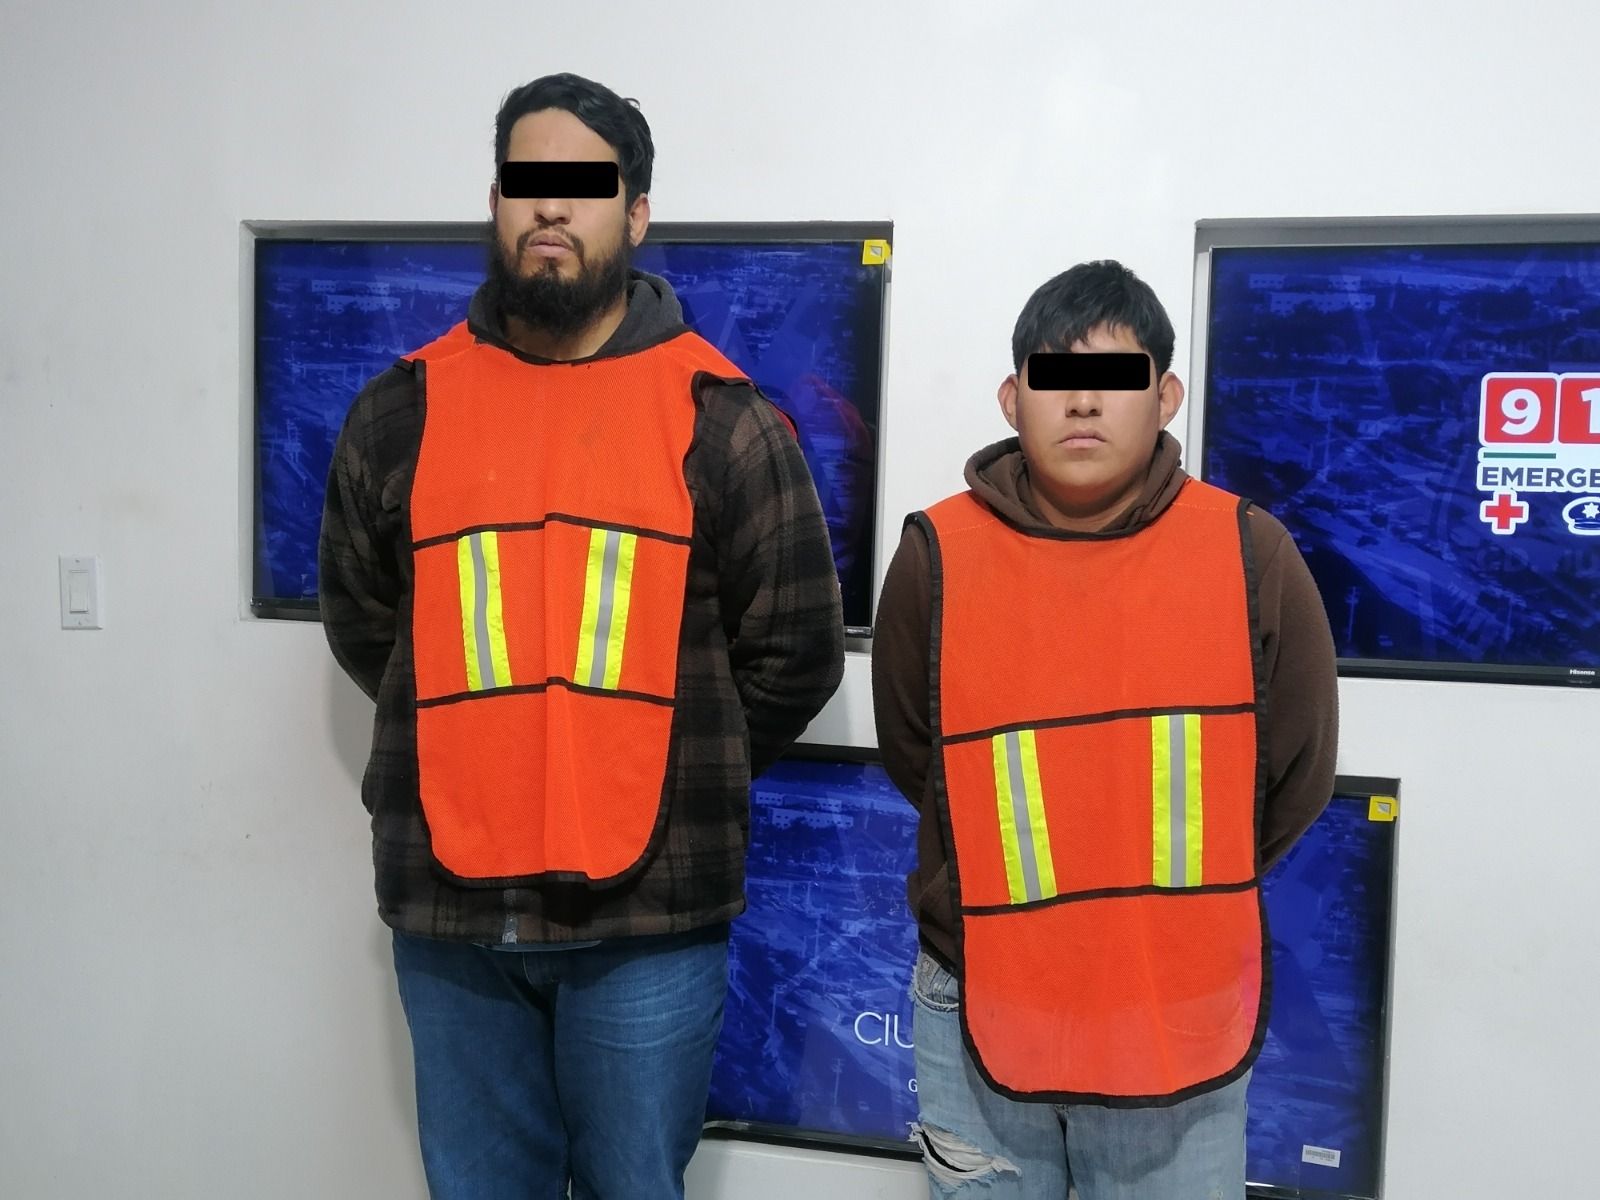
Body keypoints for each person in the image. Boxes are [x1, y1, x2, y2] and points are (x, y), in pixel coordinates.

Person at [318, 72, 845, 1200]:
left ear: (636, 214)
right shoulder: (400, 411)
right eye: (527, 183)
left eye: (584, 187)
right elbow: (367, 627)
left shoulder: (725, 419)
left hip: (651, 922)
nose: (550, 208)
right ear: (496, 204)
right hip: (451, 913)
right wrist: (472, 744)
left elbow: (794, 651)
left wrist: (661, 762)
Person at [871, 260, 1338, 1199]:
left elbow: (1297, 773)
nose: (1083, 402)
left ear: (1166, 396)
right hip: (976, 985)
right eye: (1054, 377)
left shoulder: (1249, 551)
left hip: (1178, 998)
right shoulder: (936, 555)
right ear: (1012, 398)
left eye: (1117, 378)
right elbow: (916, 755)